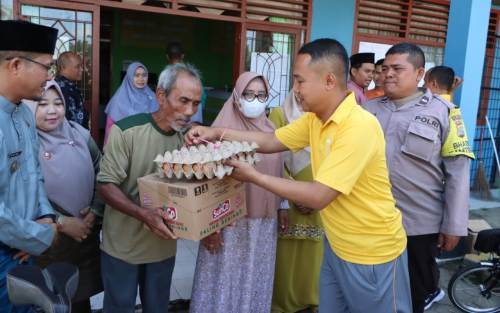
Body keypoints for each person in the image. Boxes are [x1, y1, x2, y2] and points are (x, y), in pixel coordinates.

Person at [186, 38, 411, 313]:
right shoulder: (315, 119)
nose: (295, 88)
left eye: (300, 81)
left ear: (329, 81)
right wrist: (214, 132)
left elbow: (319, 195)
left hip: (373, 253)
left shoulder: (358, 126)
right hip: (337, 246)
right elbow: (270, 141)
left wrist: (254, 176)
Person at [364, 43, 474, 313]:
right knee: (371, 292)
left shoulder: (445, 113)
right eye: (385, 68)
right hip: (370, 220)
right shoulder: (367, 110)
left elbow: (458, 173)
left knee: (413, 294)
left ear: (419, 73)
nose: (388, 74)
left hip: (417, 225)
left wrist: (455, 224)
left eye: (397, 69)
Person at [97, 63, 202, 313]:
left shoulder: (190, 139)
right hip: (123, 246)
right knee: (119, 307)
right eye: (183, 100)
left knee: (156, 307)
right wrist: (144, 214)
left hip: (162, 246)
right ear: (161, 96)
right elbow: (105, 185)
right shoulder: (127, 131)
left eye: (196, 103)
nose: (190, 111)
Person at [189, 71, 283, 313]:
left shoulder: (271, 130)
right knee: (223, 281)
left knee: (253, 280)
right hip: (227, 224)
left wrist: (282, 209)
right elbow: (207, 184)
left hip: (262, 225)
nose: (255, 99)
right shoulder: (218, 132)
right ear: (237, 96)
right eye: (248, 93)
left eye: (261, 95)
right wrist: (210, 229)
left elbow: (278, 173)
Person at [26, 80, 104, 313]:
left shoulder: (80, 133)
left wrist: (95, 210)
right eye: (42, 104)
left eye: (58, 103)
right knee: (51, 297)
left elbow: (102, 169)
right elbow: (25, 191)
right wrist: (60, 222)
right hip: (50, 238)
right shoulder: (25, 142)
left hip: (85, 234)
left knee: (80, 297)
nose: (52, 110)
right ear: (29, 108)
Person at [0, 20, 59, 313]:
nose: (49, 77)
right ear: (15, 65)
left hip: (26, 246)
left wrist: (46, 217)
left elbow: (34, 174)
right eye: (46, 66)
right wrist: (41, 235)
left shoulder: (24, 113)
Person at [268, 91, 323, 313]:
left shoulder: (324, 118)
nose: (303, 93)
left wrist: (318, 194)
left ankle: (311, 300)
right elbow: (273, 159)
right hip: (287, 194)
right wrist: (295, 194)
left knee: (314, 253)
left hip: (321, 195)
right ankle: (281, 304)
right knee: (286, 254)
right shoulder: (280, 114)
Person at [103, 62, 158, 144]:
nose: (141, 79)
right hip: (124, 145)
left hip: (147, 144)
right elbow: (110, 128)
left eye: (144, 75)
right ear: (129, 77)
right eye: (136, 75)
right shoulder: (118, 99)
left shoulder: (152, 97)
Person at [167, 42, 204, 125]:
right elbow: (196, 121)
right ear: (182, 56)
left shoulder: (164, 79)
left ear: (167, 56)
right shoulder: (193, 79)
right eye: (183, 101)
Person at [55, 51, 89, 129]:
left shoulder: (69, 86)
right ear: (63, 67)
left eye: (81, 66)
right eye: (77, 67)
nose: (82, 69)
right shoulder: (63, 90)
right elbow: (70, 123)